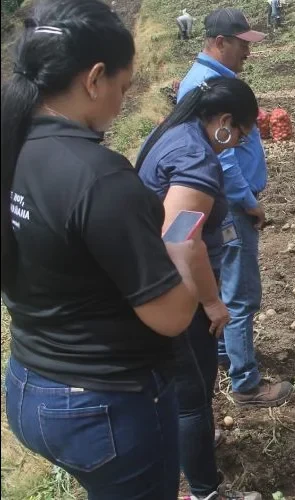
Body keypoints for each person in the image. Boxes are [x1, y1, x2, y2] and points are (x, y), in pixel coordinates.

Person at [1, 0, 204, 498]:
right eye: (123, 85)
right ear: (94, 79)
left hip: (30, 384)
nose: (122, 98)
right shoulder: (99, 177)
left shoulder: (14, 146)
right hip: (103, 404)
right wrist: (182, 250)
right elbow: (172, 317)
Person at [137, 77, 261, 500]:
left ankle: (195, 450)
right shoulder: (196, 159)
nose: (236, 143)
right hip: (179, 291)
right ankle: (206, 491)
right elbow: (180, 239)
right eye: (240, 134)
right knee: (192, 398)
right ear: (224, 122)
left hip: (156, 283)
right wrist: (211, 302)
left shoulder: (171, 132)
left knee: (183, 395)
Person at [179, 8, 295, 406]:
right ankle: (246, 385)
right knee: (240, 293)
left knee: (230, 286)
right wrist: (247, 202)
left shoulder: (208, 80)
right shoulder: (209, 85)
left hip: (228, 201)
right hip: (230, 204)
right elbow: (222, 159)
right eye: (243, 44)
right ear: (220, 42)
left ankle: (230, 357)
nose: (248, 52)